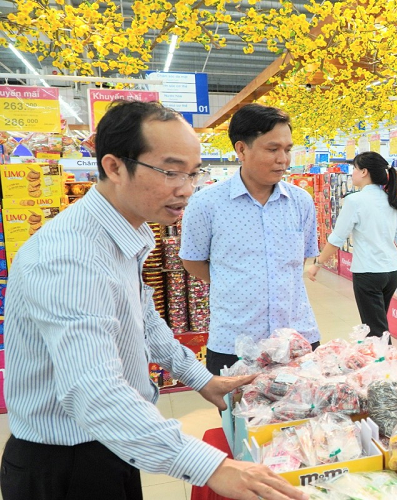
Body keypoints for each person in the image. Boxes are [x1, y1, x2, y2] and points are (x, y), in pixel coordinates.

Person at [1, 100, 306, 500]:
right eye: (171, 171)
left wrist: (203, 380)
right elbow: (95, 394)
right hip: (65, 463)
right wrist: (211, 465)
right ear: (114, 167)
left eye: (193, 173)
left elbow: (144, 320)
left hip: (111, 447)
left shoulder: (124, 235)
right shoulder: (70, 255)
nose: (186, 188)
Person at [181, 104, 321, 376]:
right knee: (239, 416)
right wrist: (232, 280)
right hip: (234, 341)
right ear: (241, 149)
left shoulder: (301, 202)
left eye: (288, 149)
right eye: (273, 149)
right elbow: (192, 259)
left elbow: (302, 258)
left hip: (296, 337)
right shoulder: (206, 204)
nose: (284, 159)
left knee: (302, 416)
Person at [307, 152, 397, 337]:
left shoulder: (355, 200)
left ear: (364, 172)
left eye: (354, 169)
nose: (352, 173)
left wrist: (317, 264)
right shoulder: (392, 200)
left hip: (368, 273)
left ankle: (384, 364)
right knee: (378, 324)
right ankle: (378, 361)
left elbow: (337, 238)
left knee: (375, 330)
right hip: (390, 272)